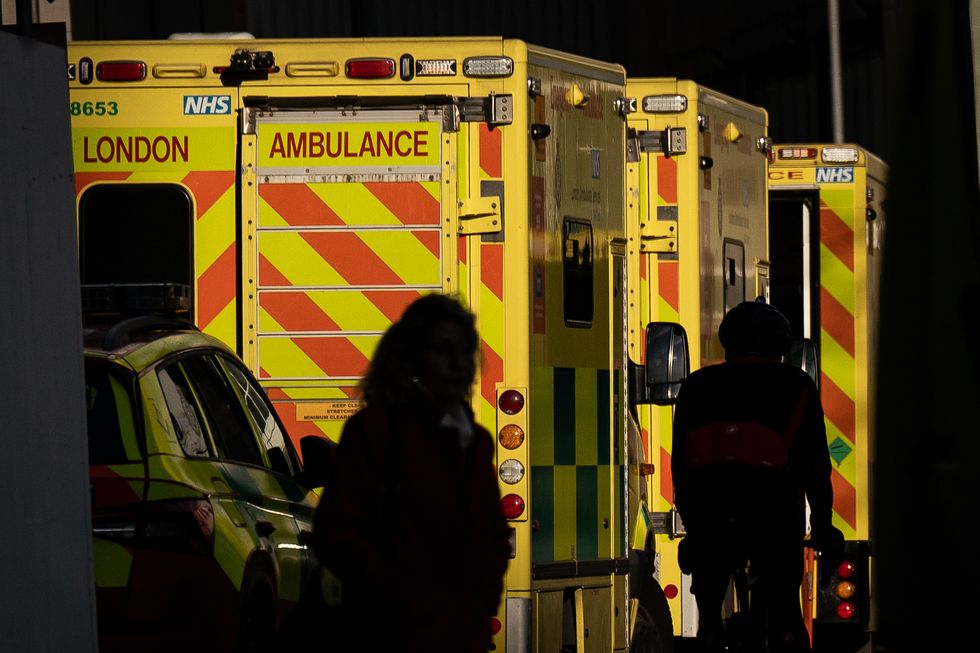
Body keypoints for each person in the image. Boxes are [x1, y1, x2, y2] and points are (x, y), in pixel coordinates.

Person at [312, 293, 511, 652]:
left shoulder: (474, 441)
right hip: (390, 634)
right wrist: (401, 594)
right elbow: (335, 534)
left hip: (460, 634)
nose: (457, 364)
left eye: (464, 351)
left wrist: (475, 604)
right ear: (413, 358)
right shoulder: (375, 430)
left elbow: (491, 536)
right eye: (441, 350)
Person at [671, 300, 844, 653]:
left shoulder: (697, 386)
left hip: (711, 520)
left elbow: (682, 466)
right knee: (784, 607)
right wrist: (824, 526)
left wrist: (693, 525)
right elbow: (815, 466)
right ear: (780, 348)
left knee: (710, 593)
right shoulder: (796, 385)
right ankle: (785, 634)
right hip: (775, 517)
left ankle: (709, 629)